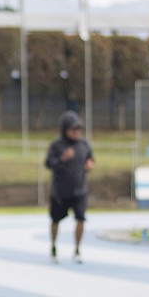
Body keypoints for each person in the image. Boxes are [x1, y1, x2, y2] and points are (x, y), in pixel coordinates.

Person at [45, 110, 95, 263]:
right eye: (73, 129)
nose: (77, 132)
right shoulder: (57, 145)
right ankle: (54, 246)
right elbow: (48, 163)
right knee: (55, 220)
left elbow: (91, 158)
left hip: (79, 189)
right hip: (60, 191)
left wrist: (90, 164)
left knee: (81, 218)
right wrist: (62, 159)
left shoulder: (84, 144)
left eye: (79, 129)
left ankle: (77, 249)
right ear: (65, 130)